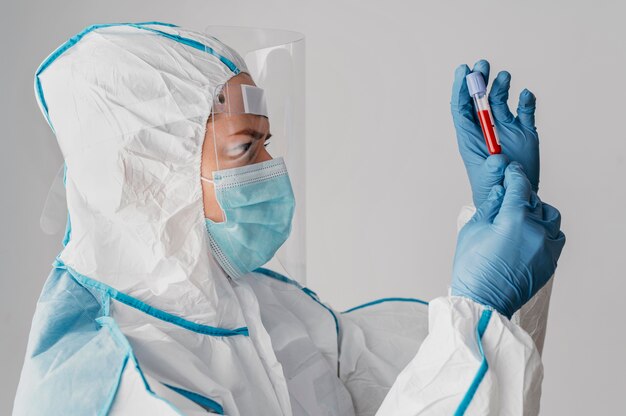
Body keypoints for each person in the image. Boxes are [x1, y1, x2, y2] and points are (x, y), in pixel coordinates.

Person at [14, 22, 565, 416]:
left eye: (266, 144)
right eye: (243, 149)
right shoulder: (116, 385)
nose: (270, 171)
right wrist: (478, 310)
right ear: (145, 173)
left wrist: (502, 239)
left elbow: (395, 379)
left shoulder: (257, 307)